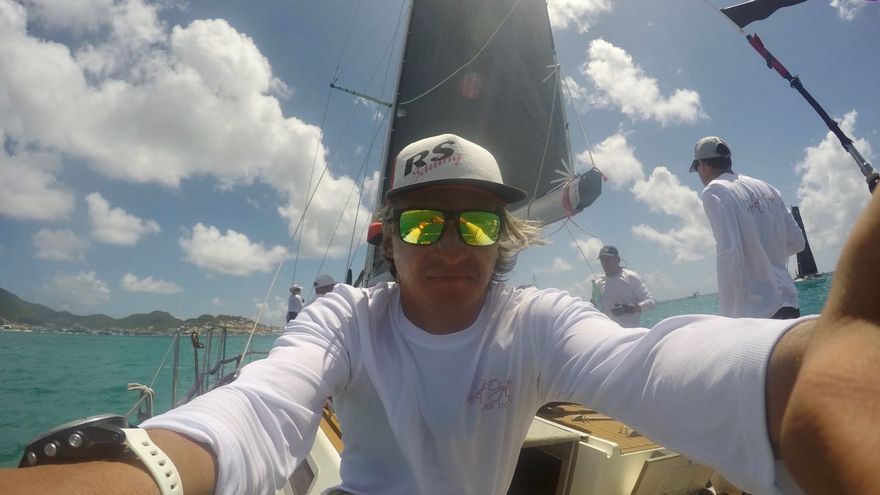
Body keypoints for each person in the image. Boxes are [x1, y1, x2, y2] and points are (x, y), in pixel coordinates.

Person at [3, 132, 880, 495]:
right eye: (424, 222)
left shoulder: (535, 321)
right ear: (388, 239)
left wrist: (803, 368)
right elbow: (260, 408)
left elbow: (644, 363)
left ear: (507, 237)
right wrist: (146, 469)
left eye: (478, 222)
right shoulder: (347, 319)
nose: (452, 243)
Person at [690, 136, 806, 319]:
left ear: (702, 165)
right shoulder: (767, 188)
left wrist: (727, 316)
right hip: (789, 302)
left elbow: (729, 253)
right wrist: (765, 257)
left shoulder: (714, 192)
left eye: (696, 168)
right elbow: (798, 242)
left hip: (757, 311)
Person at [594, 245, 656, 327]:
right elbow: (598, 309)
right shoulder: (598, 283)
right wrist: (593, 306)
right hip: (608, 331)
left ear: (618, 259)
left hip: (631, 331)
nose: (606, 263)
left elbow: (651, 303)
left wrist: (628, 309)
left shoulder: (631, 277)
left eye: (608, 259)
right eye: (603, 260)